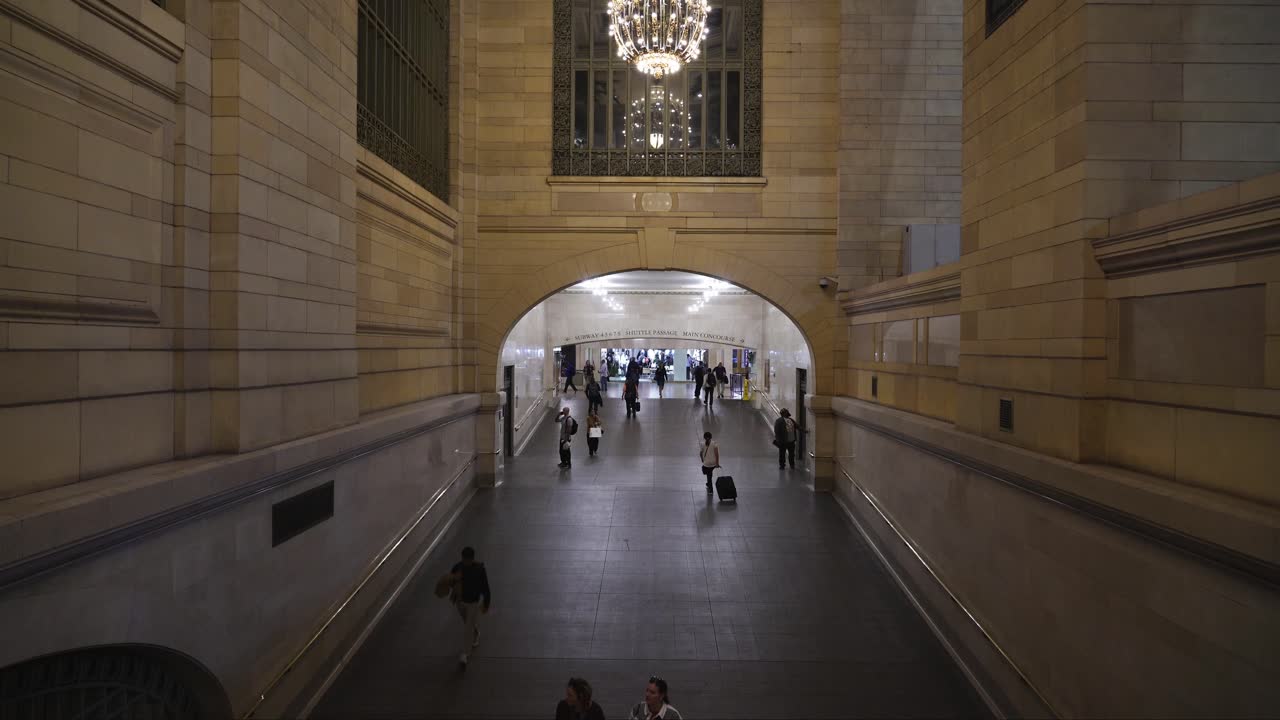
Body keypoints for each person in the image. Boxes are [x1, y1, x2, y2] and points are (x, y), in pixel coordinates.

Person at [450, 546, 491, 666]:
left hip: (473, 602)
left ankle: (464, 655)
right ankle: (475, 632)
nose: (466, 562)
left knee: (467, 626)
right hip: (460, 601)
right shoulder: (457, 567)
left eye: (468, 560)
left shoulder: (479, 569)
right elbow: (450, 581)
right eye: (464, 559)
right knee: (466, 621)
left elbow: (485, 586)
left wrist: (486, 601)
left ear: (472, 559)